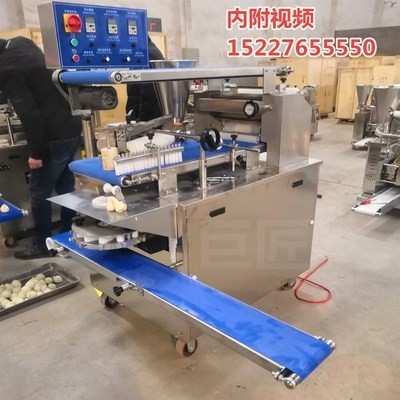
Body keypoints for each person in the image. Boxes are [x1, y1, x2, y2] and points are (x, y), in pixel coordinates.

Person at [0, 36, 82, 259]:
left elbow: (30, 115)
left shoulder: (6, 69)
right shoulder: (21, 42)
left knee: (38, 192)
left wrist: (36, 153)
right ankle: (69, 234)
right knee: (66, 187)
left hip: (52, 135)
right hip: (71, 125)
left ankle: (44, 245)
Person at [126, 36, 165, 122]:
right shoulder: (149, 49)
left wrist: (139, 121)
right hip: (155, 117)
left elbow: (146, 93)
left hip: (148, 119)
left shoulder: (143, 54)